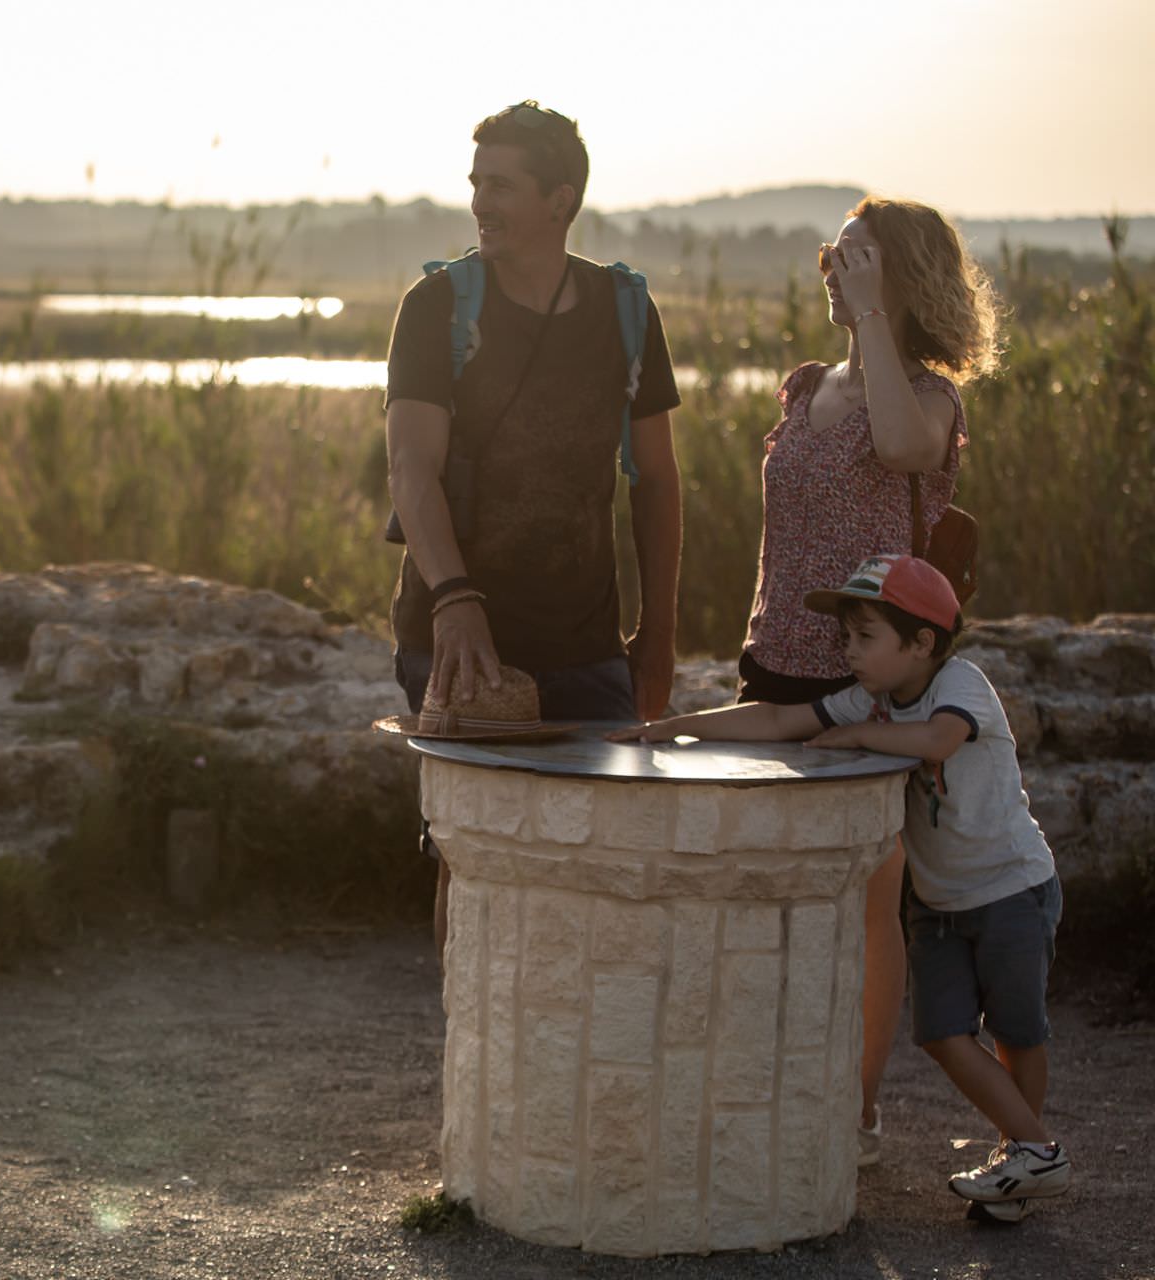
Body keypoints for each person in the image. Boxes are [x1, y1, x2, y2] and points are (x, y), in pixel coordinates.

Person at [613, 555, 1068, 1218]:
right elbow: (776, 721)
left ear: (922, 644)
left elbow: (940, 741)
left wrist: (858, 733)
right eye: (846, 637)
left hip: (1012, 890)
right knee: (942, 1033)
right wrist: (671, 727)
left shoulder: (960, 683)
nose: (849, 651)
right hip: (939, 904)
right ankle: (1036, 1151)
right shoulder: (874, 699)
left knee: (1017, 1032)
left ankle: (1023, 1157)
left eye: (865, 637)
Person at [739, 195, 1002, 1165]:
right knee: (769, 891)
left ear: (899, 280)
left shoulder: (928, 397)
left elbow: (899, 451)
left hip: (873, 677)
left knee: (866, 899)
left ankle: (853, 1107)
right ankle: (769, 1085)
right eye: (832, 257)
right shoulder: (806, 387)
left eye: (856, 260)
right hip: (775, 659)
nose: (833, 272)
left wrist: (878, 321)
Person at [384, 101, 683, 951]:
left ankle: (567, 1072)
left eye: (501, 185)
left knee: (602, 860)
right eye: (476, 182)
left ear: (561, 199)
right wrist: (454, 599)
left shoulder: (626, 312)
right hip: (454, 637)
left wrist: (656, 636)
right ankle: (474, 1063)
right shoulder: (437, 306)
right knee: (474, 859)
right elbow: (411, 469)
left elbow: (656, 483)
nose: (479, 202)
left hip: (588, 644)